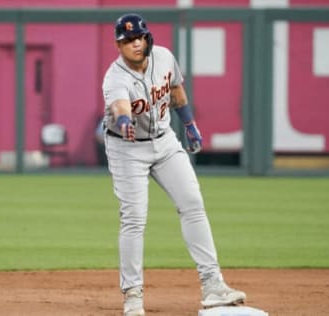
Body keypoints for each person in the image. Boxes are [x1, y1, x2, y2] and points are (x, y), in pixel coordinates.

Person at [101, 13, 246, 316]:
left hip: (165, 141)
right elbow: (120, 106)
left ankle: (213, 285)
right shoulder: (115, 77)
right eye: (127, 41)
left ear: (147, 37)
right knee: (134, 219)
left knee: (192, 202)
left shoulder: (164, 57)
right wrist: (125, 120)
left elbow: (177, 90)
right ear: (118, 46)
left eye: (139, 37)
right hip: (127, 149)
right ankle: (133, 295)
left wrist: (190, 125)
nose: (135, 44)